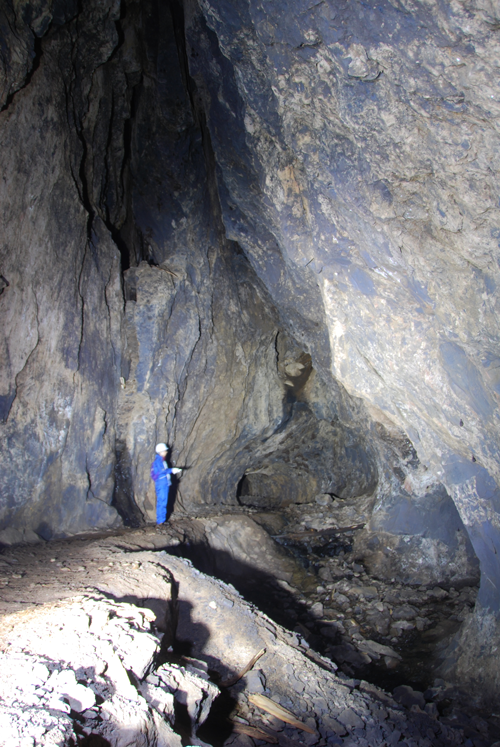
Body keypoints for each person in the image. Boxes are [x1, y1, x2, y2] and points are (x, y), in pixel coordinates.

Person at [150, 443, 182, 525]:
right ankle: (160, 521)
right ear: (160, 451)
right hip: (161, 484)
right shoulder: (158, 461)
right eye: (165, 451)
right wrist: (171, 470)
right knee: (162, 502)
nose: (166, 452)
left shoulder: (162, 461)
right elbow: (161, 472)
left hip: (164, 483)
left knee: (164, 502)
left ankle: (162, 521)